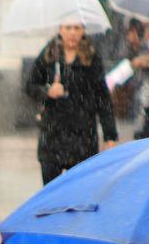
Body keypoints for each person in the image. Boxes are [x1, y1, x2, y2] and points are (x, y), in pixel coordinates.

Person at [26, 21, 118, 186]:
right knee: (51, 196)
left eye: (77, 28)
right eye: (68, 28)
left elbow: (103, 98)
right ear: (60, 29)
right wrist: (47, 91)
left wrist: (110, 135)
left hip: (82, 137)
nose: (73, 33)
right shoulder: (49, 54)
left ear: (83, 30)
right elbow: (30, 86)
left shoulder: (91, 57)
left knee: (79, 196)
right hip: (52, 136)